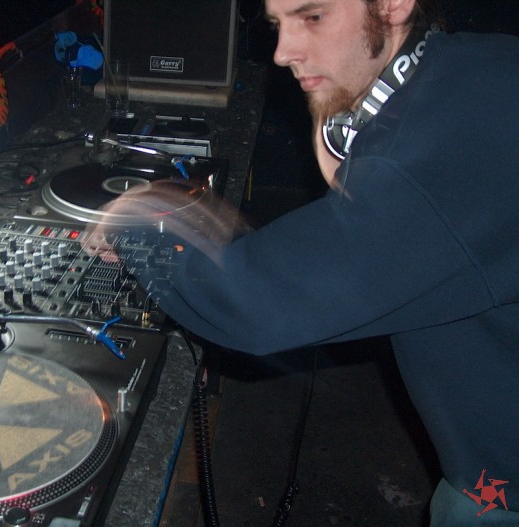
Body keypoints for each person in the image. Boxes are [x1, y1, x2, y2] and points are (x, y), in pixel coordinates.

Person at [86, 0, 519, 525]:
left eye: (312, 17)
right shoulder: (475, 67)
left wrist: (135, 221)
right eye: (278, 24)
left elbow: (256, 305)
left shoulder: (426, 164)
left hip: (500, 488)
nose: (282, 51)